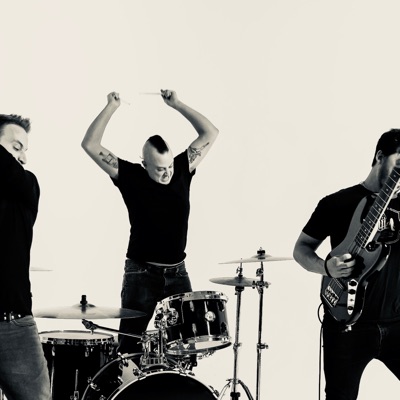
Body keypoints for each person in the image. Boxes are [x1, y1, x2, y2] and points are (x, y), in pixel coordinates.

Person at [82, 89, 219, 354]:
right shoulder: (130, 176)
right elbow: (90, 144)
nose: (167, 174)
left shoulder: (182, 169)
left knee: (186, 350)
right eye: (159, 169)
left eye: (169, 167)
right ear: (144, 164)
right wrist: (111, 107)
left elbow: (210, 132)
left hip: (178, 272)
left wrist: (177, 104)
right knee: (129, 349)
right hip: (141, 274)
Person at [293, 128, 400, 400]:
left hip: (397, 322)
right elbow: (301, 249)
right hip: (346, 323)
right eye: (399, 163)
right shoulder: (336, 203)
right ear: (380, 156)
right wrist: (326, 267)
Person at [0, 114, 51, 399]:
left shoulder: (27, 186)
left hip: (14, 325)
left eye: (25, 149)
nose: (24, 157)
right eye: (16, 147)